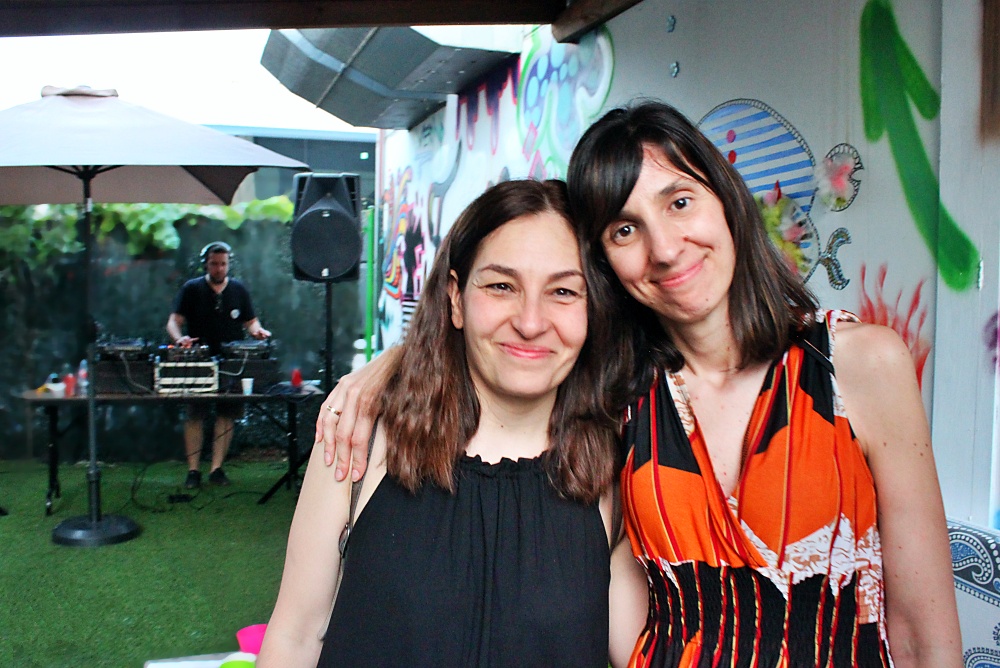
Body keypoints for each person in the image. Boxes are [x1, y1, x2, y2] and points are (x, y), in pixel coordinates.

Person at [318, 101, 962, 667]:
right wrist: (390, 367)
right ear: (605, 263)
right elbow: (507, 346)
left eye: (680, 201)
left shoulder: (859, 365)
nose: (666, 248)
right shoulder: (619, 398)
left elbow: (924, 638)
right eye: (624, 229)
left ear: (725, 200)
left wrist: (387, 365)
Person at [258, 179, 646, 668]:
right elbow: (295, 638)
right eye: (502, 286)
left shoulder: (611, 473)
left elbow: (648, 653)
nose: (530, 322)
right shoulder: (360, 439)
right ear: (456, 299)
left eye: (564, 291)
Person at [165, 241, 271, 489]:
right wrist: (179, 339)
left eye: (223, 264)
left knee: (227, 414)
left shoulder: (238, 290)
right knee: (194, 414)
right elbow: (173, 322)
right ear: (206, 264)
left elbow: (251, 322)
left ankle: (216, 469)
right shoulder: (192, 288)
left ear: (228, 264)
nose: (219, 268)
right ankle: (193, 470)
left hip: (231, 363)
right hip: (198, 362)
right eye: (214, 264)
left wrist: (258, 332)